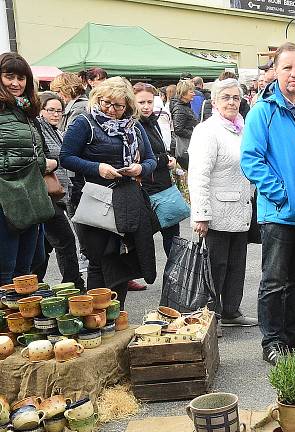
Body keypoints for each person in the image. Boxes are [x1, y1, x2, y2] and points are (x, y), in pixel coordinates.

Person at [241, 42, 295, 364]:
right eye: (287, 67)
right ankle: (273, 341)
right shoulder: (263, 112)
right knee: (274, 280)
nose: (294, 73)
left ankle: (293, 334)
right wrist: (281, 193)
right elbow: (251, 160)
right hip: (279, 212)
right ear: (275, 71)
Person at [60, 77, 158, 307]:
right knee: (99, 260)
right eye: (106, 103)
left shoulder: (134, 125)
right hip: (95, 200)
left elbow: (152, 159)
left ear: (127, 106)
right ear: (97, 98)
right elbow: (66, 157)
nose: (112, 110)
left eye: (118, 106)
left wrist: (140, 168)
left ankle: (116, 316)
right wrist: (98, 168)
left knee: (122, 260)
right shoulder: (84, 122)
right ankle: (97, 318)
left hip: (127, 201)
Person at [187, 78, 258, 326]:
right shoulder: (207, 131)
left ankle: (230, 310)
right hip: (216, 212)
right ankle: (210, 316)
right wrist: (201, 214)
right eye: (226, 97)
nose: (231, 102)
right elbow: (198, 175)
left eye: (236, 97)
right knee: (214, 267)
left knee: (236, 266)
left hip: (240, 209)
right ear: (214, 101)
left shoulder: (242, 128)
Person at [0, 52, 56, 285]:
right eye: (9, 76)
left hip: (30, 193)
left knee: (28, 265)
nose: (15, 83)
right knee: (6, 268)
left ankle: (19, 318)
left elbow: (38, 149)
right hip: (6, 197)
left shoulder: (26, 110)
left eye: (21, 78)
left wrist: (42, 163)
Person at [32, 92, 85, 290]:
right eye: (51, 110)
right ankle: (74, 285)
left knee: (45, 246)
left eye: (59, 111)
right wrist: (54, 163)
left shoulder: (57, 131)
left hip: (58, 194)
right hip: (45, 195)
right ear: (41, 110)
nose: (55, 114)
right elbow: (42, 160)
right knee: (65, 241)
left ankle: (33, 284)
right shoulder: (38, 129)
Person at [133, 82, 183, 257]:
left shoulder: (153, 121)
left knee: (172, 236)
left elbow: (159, 150)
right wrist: (165, 159)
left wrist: (167, 158)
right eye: (141, 102)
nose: (146, 106)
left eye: (149, 102)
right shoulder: (133, 125)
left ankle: (175, 279)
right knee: (142, 239)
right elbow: (141, 157)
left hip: (163, 186)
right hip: (146, 189)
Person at [172, 79, 198, 171]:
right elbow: (178, 129)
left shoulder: (185, 107)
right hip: (185, 147)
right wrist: (195, 134)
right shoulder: (180, 109)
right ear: (183, 93)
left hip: (188, 145)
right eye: (191, 92)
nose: (194, 94)